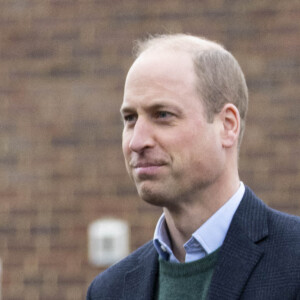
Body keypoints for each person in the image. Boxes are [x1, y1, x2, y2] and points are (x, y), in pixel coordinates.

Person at [87, 34, 300, 300]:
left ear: (227, 125)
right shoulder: (108, 291)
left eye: (163, 115)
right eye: (130, 119)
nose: (137, 141)